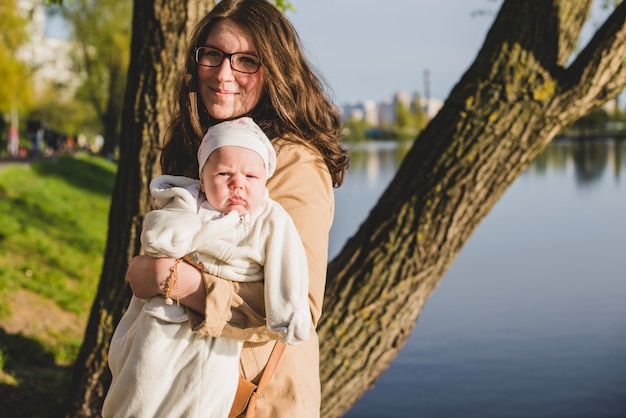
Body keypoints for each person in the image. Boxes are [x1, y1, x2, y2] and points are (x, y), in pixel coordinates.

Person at [122, 0, 350, 416]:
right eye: (213, 54)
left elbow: (300, 306)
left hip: (254, 401)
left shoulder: (295, 162)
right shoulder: (199, 150)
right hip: (182, 389)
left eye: (246, 60)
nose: (224, 73)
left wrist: (171, 280)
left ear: (276, 71)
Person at [104, 117, 311, 417]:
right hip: (164, 315)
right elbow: (158, 239)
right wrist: (184, 216)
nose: (237, 183)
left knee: (200, 396)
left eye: (251, 176)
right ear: (203, 177)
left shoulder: (270, 219)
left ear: (265, 180)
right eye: (224, 172)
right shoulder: (188, 202)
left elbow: (288, 266)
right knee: (143, 380)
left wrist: (288, 314)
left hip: (216, 331)